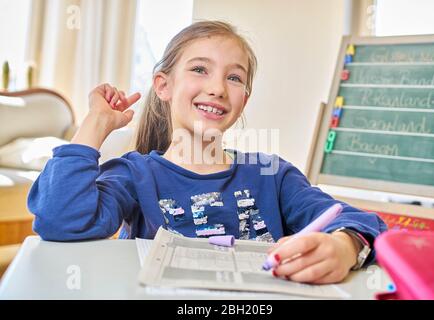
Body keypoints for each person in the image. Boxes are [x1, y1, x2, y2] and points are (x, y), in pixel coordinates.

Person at [28, 21, 387, 284]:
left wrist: (343, 246)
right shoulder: (136, 174)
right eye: (200, 69)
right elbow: (60, 220)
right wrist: (96, 124)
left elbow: (361, 222)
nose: (217, 88)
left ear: (244, 98)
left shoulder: (270, 174)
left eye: (234, 78)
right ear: (163, 86)